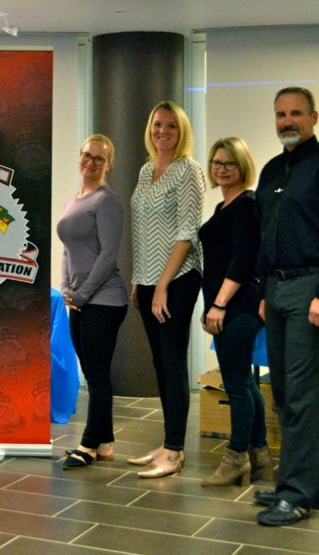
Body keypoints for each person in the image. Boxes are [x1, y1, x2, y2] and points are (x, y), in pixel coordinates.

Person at [252, 87, 319, 526]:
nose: (287, 121)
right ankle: (299, 486)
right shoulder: (272, 169)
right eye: (280, 114)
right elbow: (265, 235)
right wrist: (262, 292)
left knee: (303, 395)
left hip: (314, 286)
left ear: (314, 117)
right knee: (283, 395)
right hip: (277, 290)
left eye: (296, 113)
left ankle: (296, 494)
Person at [128, 100, 205, 478]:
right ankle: (167, 441)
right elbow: (143, 228)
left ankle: (175, 451)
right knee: (160, 363)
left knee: (173, 363)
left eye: (171, 126)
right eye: (157, 124)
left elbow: (187, 231)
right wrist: (138, 279)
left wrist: (160, 286)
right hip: (147, 280)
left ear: (182, 131)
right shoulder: (146, 171)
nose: (163, 131)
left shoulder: (188, 171)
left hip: (177, 280)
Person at [198, 137, 270, 487]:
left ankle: (235, 458)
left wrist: (219, 304)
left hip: (237, 307)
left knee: (238, 385)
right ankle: (260, 456)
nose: (221, 168)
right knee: (244, 382)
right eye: (216, 162)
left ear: (243, 166)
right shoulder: (224, 206)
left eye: (229, 163)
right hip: (226, 306)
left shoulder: (247, 205)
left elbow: (242, 261)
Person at [57, 135, 129, 469]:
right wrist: (64, 290)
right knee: (92, 371)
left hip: (104, 300)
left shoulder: (107, 201)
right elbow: (67, 251)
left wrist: (83, 294)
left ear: (108, 165)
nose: (90, 162)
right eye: (86, 155)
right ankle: (105, 441)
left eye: (99, 159)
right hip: (80, 300)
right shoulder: (75, 201)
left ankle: (87, 445)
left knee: (97, 374)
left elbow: (108, 255)